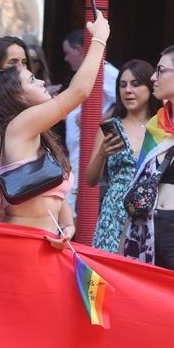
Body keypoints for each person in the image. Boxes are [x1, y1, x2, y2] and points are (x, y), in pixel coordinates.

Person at [0, 11, 110, 248]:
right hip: (21, 245)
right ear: (16, 96)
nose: (42, 82)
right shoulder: (19, 125)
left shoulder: (36, 132)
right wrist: (99, 40)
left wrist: (68, 227)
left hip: (46, 244)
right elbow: (79, 92)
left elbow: (53, 194)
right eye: (32, 81)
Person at [124, 44, 174, 274]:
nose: (153, 77)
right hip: (148, 227)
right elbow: (137, 184)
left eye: (160, 70)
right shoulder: (156, 125)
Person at [86, 60, 160, 253]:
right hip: (114, 211)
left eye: (136, 84)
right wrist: (102, 154)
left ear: (150, 87)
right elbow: (90, 180)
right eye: (122, 84)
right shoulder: (111, 127)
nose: (128, 90)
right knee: (105, 276)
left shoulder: (161, 127)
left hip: (151, 209)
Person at [62, 28, 119, 215]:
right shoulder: (85, 73)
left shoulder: (106, 71)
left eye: (67, 53)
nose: (65, 59)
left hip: (88, 149)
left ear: (79, 49)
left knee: (72, 206)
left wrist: (98, 120)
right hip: (75, 151)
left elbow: (122, 101)